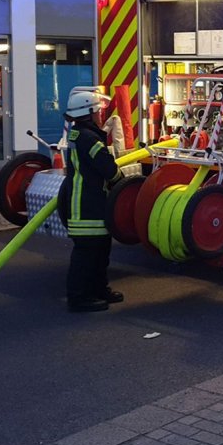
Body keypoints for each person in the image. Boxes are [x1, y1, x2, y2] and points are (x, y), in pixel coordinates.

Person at [62, 90, 124, 312]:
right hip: (87, 206)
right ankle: (78, 298)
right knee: (86, 254)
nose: (100, 115)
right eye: (98, 111)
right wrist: (123, 184)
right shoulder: (89, 138)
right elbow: (108, 168)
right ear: (88, 113)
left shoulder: (78, 133)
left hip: (90, 203)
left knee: (100, 251)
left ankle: (99, 290)